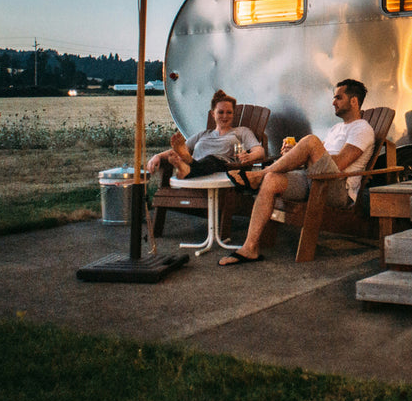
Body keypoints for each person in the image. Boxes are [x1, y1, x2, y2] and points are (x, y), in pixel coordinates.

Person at [218, 79, 376, 266]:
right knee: (272, 179)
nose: (333, 102)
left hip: (337, 188)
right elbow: (319, 156)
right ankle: (250, 248)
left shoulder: (362, 128)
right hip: (315, 179)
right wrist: (293, 154)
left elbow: (339, 163)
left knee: (310, 141)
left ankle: (257, 175)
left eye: (338, 98)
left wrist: (306, 152)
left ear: (354, 101)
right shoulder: (336, 129)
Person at [147, 89, 265, 179]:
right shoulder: (203, 134)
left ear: (233, 114)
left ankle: (187, 165)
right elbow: (177, 150)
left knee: (211, 159)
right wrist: (157, 156)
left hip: (221, 169)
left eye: (229, 112)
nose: (225, 116)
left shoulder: (241, 131)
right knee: (190, 157)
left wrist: (249, 156)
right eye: (221, 112)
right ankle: (187, 165)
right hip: (198, 172)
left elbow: (259, 151)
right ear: (213, 114)